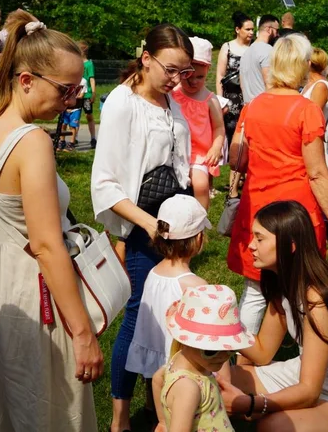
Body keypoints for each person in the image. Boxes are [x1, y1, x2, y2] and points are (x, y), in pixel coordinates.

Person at [0, 12, 101, 430]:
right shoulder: (32, 141)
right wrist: (82, 333)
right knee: (46, 408)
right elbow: (44, 244)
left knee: (4, 403)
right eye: (65, 88)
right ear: (25, 80)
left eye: (76, 88)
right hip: (31, 291)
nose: (73, 99)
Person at [92, 23, 194, 432]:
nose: (177, 80)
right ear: (146, 58)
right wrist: (148, 225)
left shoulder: (172, 102)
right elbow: (104, 183)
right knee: (139, 316)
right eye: (171, 70)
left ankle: (160, 403)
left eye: (184, 73)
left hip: (172, 224)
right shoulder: (122, 103)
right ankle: (120, 418)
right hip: (144, 226)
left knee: (171, 314)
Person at [219, 201, 328, 432]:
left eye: (260, 238)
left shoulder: (318, 298)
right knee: (216, 381)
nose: (250, 245)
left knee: (273, 427)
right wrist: (221, 327)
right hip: (306, 374)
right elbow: (263, 350)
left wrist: (251, 405)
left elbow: (309, 392)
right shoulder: (282, 279)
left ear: (291, 245)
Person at [227, 33, 328, 334]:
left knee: (255, 289)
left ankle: (243, 355)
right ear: (304, 66)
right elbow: (318, 173)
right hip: (297, 212)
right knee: (302, 288)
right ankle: (309, 353)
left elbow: (236, 160)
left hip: (257, 205)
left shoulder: (252, 107)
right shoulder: (307, 110)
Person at [126, 196, 210, 415]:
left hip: (156, 357)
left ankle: (152, 408)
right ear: (199, 238)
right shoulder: (195, 285)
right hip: (181, 367)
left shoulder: (152, 274)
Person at [155, 285, 249, 432]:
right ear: (187, 341)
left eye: (230, 348)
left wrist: (163, 422)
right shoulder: (188, 389)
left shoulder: (180, 361)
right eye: (211, 350)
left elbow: (157, 379)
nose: (224, 356)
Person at [171, 37, 225, 208]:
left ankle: (200, 222)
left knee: (201, 185)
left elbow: (219, 127)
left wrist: (216, 147)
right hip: (173, 151)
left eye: (199, 77)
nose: (193, 81)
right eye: (188, 76)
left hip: (198, 155)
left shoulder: (210, 99)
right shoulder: (172, 93)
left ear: (208, 70)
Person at [217, 13, 254, 203]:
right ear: (237, 30)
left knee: (247, 138)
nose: (250, 33)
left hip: (247, 100)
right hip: (229, 100)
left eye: (252, 29)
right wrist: (220, 100)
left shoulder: (254, 50)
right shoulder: (228, 47)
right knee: (232, 139)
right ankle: (234, 178)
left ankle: (244, 178)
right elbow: (220, 75)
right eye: (247, 29)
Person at [303, 46, 328, 192]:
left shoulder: (320, 87)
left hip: (318, 145)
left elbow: (311, 117)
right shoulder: (308, 85)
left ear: (309, 63)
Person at [238, 15, 278, 105]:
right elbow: (269, 83)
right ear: (269, 29)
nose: (277, 34)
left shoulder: (246, 53)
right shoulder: (268, 50)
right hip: (263, 108)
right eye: (276, 30)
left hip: (248, 109)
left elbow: (242, 85)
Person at [80, 41, 99, 147]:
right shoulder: (76, 63)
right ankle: (74, 138)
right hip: (77, 94)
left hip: (87, 94)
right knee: (75, 115)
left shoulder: (89, 64)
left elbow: (91, 79)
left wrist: (93, 92)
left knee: (88, 115)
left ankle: (93, 137)